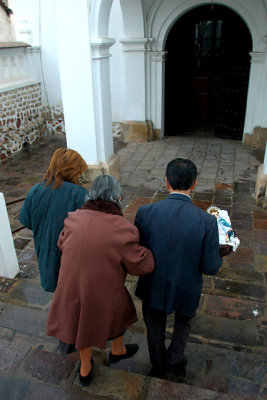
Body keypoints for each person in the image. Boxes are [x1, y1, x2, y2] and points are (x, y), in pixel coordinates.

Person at [46, 174, 154, 386]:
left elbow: (61, 242)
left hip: (71, 286)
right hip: (102, 291)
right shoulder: (122, 228)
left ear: (91, 193)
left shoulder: (73, 218)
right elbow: (141, 265)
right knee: (119, 310)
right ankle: (113, 352)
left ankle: (89, 366)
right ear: (118, 197)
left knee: (81, 323)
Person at [134, 158, 223, 377]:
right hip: (186, 286)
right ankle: (175, 359)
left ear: (166, 182)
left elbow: (138, 252)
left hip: (153, 284)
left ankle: (157, 360)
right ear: (194, 184)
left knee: (154, 324)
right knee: (183, 324)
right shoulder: (207, 222)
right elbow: (211, 267)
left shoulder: (145, 212)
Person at [20, 148, 88, 293]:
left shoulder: (35, 190)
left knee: (58, 294)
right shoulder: (80, 194)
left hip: (46, 255)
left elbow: (26, 221)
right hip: (72, 259)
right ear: (74, 170)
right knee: (73, 294)